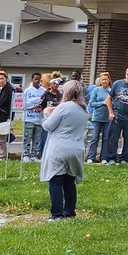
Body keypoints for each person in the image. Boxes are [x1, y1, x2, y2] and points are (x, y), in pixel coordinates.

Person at [40, 81, 90, 219]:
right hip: (77, 149)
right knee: (69, 181)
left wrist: (46, 114)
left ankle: (56, 214)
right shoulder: (83, 109)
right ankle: (69, 212)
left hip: (60, 148)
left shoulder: (63, 107)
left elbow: (49, 126)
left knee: (55, 181)